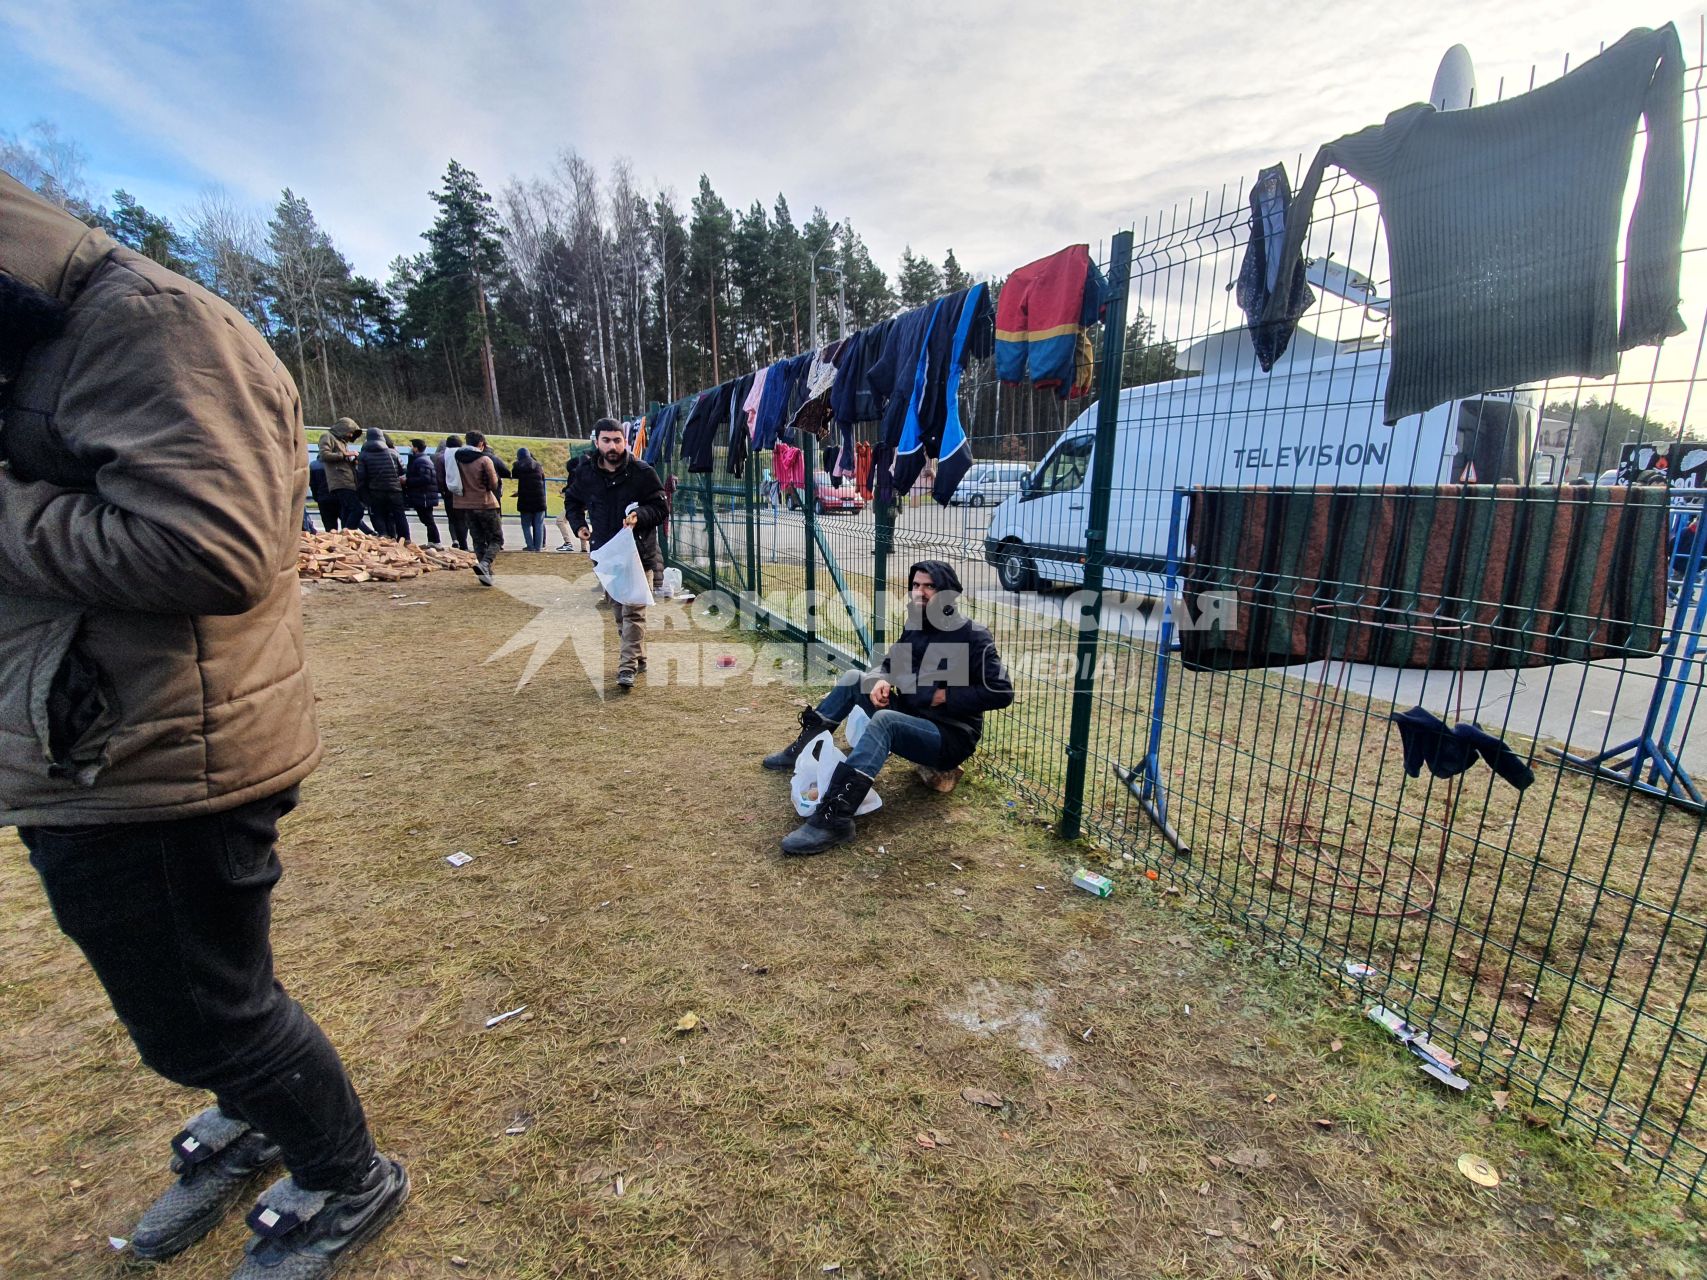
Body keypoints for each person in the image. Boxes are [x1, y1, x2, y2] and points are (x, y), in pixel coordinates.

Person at [0, 173, 406, 1278]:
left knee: (203, 1013)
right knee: (206, 989)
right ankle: (258, 1111)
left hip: (163, 746)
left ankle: (342, 1171)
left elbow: (209, 547)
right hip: (95, 734)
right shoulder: (53, 329)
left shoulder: (147, 325)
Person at [762, 561, 1014, 856]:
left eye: (929, 586)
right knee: (856, 679)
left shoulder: (972, 636)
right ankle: (801, 750)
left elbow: (1001, 691)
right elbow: (891, 662)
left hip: (948, 736)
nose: (920, 592)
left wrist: (945, 696)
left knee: (884, 721)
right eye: (916, 585)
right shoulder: (916, 624)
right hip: (910, 716)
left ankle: (835, 818)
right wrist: (881, 678)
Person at [563, 418, 669, 690]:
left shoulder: (642, 472)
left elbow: (660, 508)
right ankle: (638, 655)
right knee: (620, 613)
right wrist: (579, 526)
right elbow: (572, 501)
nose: (613, 446)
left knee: (634, 611)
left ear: (625, 441)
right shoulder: (586, 472)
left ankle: (627, 667)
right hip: (606, 554)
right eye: (607, 440)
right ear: (597, 442)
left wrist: (638, 516)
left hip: (638, 553)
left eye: (617, 440)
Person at [449, 430, 503, 585]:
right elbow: (493, 483)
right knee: (496, 538)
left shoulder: (457, 459)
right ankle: (485, 564)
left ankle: (486, 575)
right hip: (485, 503)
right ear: (481, 444)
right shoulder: (484, 460)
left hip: (465, 504)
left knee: (478, 539)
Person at [317, 417, 371, 533]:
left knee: (346, 510)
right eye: (350, 432)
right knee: (357, 509)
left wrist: (351, 459)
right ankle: (347, 532)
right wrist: (346, 454)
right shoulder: (327, 436)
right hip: (340, 480)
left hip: (347, 479)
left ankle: (345, 534)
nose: (351, 435)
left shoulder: (342, 441)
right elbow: (324, 455)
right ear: (343, 429)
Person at [355, 425, 408, 540]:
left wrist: (363, 493)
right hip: (395, 490)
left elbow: (361, 476)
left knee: (378, 513)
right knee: (399, 515)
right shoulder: (393, 453)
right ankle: (405, 538)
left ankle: (384, 535)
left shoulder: (363, 455)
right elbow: (402, 470)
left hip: (375, 491)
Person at [403, 438, 442, 544]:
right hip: (422, 495)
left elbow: (425, 478)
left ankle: (435, 542)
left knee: (428, 520)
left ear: (416, 448)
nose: (410, 448)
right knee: (427, 520)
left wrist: (408, 481)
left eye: (411, 446)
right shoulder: (420, 459)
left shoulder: (422, 461)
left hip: (424, 496)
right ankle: (432, 542)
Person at [434, 435, 469, 550]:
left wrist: (442, 491)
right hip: (464, 492)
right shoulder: (465, 455)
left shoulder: (440, 458)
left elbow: (439, 477)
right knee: (464, 519)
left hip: (448, 492)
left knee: (453, 519)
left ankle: (458, 541)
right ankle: (464, 542)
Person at [514, 446, 548, 552]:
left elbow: (514, 474)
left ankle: (530, 545)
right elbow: (543, 478)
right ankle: (538, 547)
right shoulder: (538, 465)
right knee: (538, 524)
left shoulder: (518, 465)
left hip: (525, 499)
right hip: (539, 499)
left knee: (526, 525)